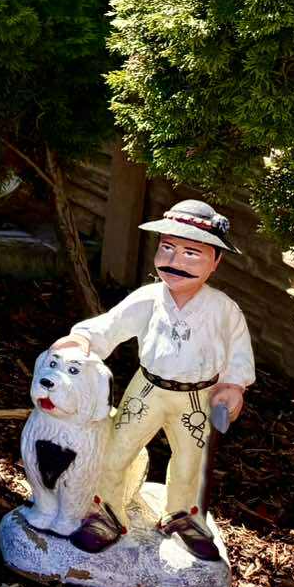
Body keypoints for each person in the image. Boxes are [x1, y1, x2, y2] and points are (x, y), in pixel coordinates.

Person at [51, 199, 254, 561]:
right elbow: (111, 325)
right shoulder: (149, 298)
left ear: (216, 261)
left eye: (191, 253)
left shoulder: (224, 310)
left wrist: (232, 385)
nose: (175, 261)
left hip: (197, 397)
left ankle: (183, 515)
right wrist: (83, 339)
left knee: (192, 460)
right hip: (147, 389)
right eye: (167, 247)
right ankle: (106, 513)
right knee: (116, 449)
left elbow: (238, 353)